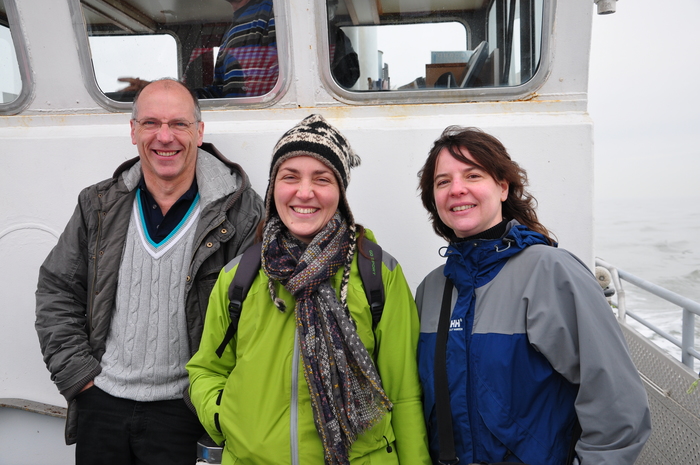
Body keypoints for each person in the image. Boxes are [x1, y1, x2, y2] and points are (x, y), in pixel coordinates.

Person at [35, 78, 264, 464]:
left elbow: (255, 324)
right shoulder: (98, 205)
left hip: (186, 413)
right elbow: (57, 289)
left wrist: (217, 404)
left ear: (199, 131)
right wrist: (81, 379)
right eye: (151, 123)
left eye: (179, 124)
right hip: (101, 405)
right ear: (133, 131)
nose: (165, 136)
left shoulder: (241, 215)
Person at [186, 114, 431, 464]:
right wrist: (224, 414)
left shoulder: (378, 273)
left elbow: (404, 392)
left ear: (340, 193)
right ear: (273, 189)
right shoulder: (240, 276)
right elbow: (206, 369)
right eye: (290, 177)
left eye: (322, 179)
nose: (304, 192)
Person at [415, 126, 651, 465]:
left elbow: (617, 404)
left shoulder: (553, 273)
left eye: (473, 175)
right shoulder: (431, 289)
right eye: (442, 181)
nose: (457, 189)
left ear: (502, 186)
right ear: (433, 200)